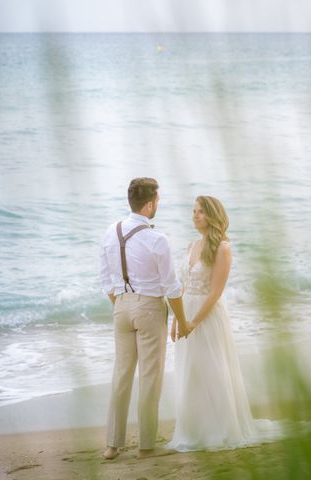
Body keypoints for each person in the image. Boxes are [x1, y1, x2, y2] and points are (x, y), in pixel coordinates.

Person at [166, 196, 285, 451]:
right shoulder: (192, 245)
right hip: (187, 312)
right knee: (191, 371)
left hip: (208, 317)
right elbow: (185, 287)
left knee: (213, 369)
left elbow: (216, 292)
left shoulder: (222, 247)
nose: (195, 215)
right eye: (194, 211)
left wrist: (194, 323)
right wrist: (177, 320)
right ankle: (194, 429)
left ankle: (220, 428)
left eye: (200, 212)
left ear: (212, 216)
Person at [99, 177, 188, 460]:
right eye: (158, 201)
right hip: (149, 309)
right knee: (150, 376)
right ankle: (146, 446)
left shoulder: (110, 231)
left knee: (121, 375)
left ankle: (113, 445)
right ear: (150, 204)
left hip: (121, 308)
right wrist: (183, 321)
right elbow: (172, 287)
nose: (158, 205)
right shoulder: (157, 239)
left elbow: (105, 281)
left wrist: (123, 302)